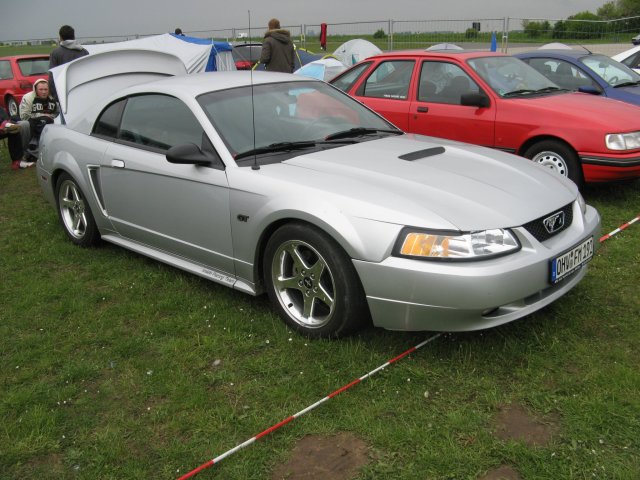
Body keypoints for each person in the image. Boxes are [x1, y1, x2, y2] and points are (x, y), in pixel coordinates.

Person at [19, 79, 59, 159]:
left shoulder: (53, 98)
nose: (44, 92)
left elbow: (58, 112)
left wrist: (51, 117)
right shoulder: (28, 98)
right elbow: (24, 115)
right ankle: (26, 152)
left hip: (49, 123)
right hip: (31, 122)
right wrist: (42, 115)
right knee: (24, 124)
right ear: (36, 90)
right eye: (41, 89)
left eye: (46, 89)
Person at [49, 25, 89, 99]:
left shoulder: (55, 53)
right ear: (74, 36)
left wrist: (55, 97)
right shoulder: (84, 52)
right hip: (82, 93)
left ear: (60, 37)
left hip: (63, 94)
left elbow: (52, 78)